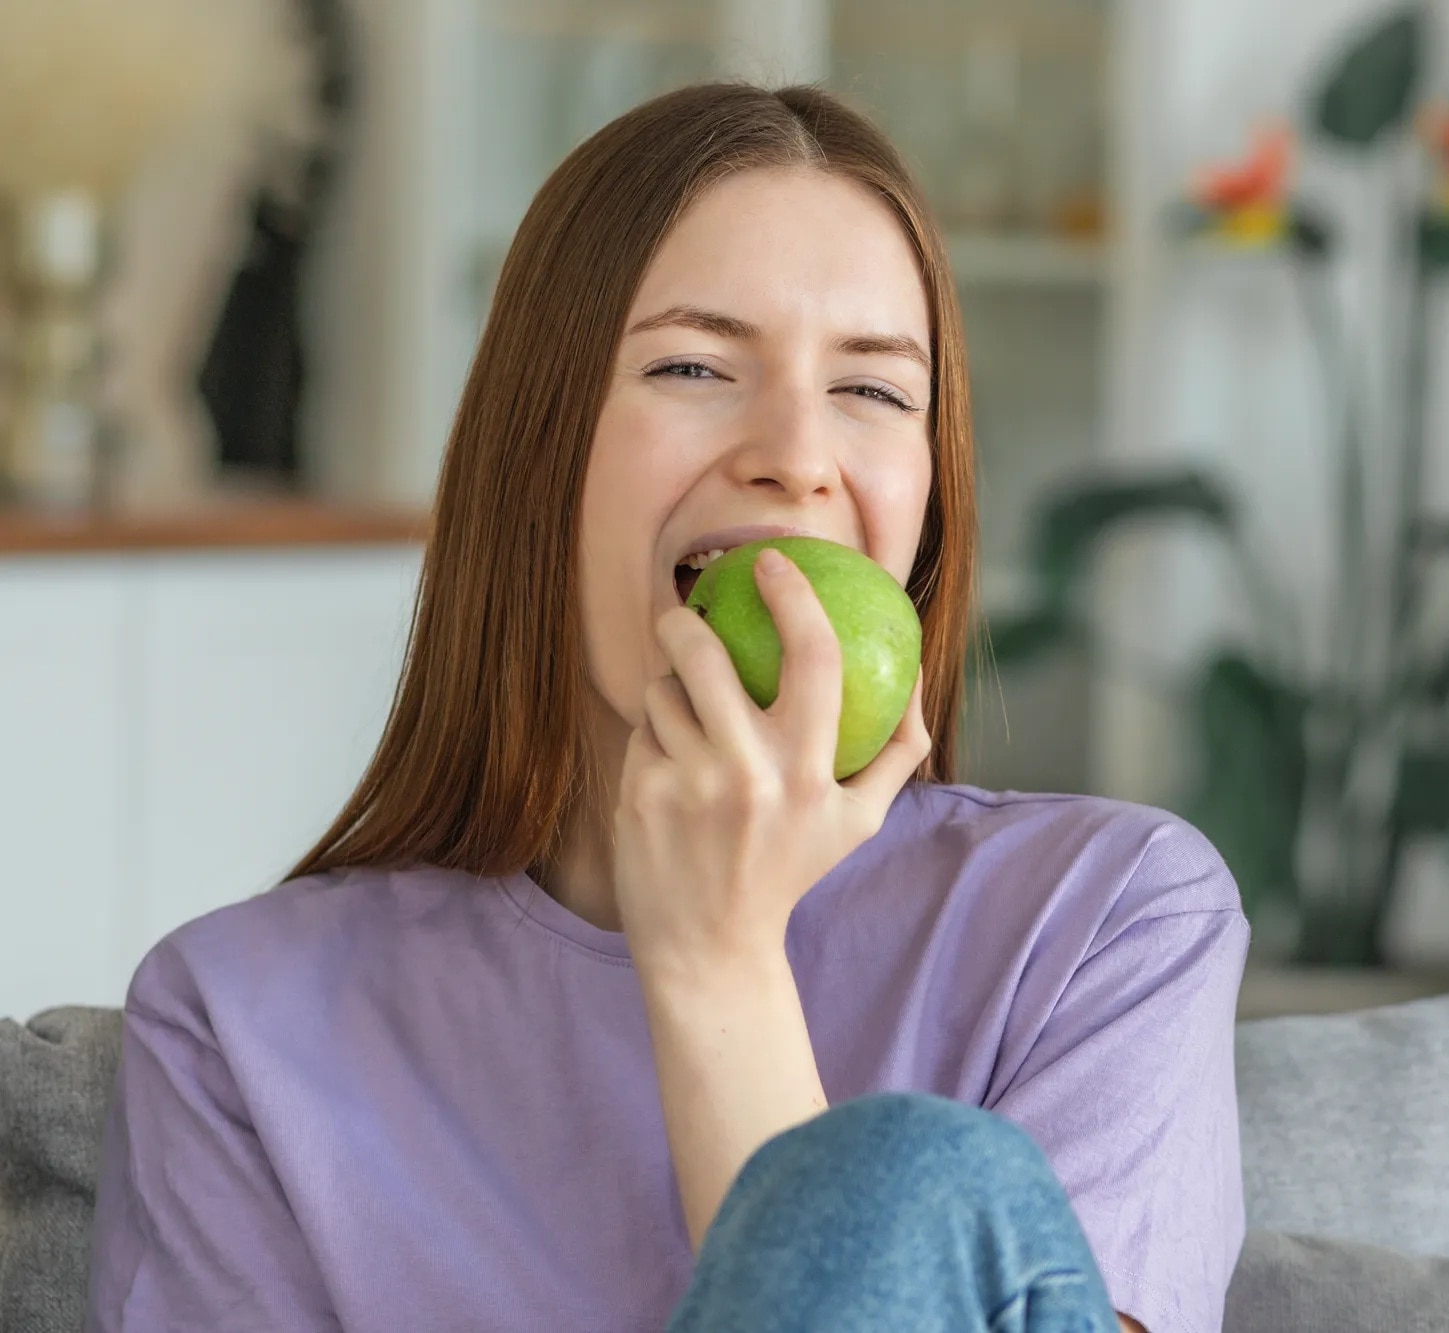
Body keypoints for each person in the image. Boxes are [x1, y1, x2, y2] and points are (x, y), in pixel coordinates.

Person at [86, 83, 1249, 1333]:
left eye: (871, 390)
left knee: (918, 1178)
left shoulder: (1104, 920)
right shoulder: (237, 1026)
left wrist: (719, 964)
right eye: (693, 365)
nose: (794, 451)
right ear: (537, 451)